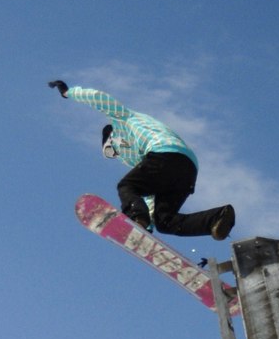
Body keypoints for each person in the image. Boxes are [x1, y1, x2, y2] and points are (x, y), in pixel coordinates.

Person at [48, 80, 235, 240]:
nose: (117, 155)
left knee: (125, 186)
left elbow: (98, 98)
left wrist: (69, 92)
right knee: (165, 222)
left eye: (111, 150)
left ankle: (137, 217)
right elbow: (149, 197)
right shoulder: (140, 158)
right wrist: (145, 229)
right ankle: (217, 217)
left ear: (112, 138)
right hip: (187, 169)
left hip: (165, 153)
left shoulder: (121, 118)